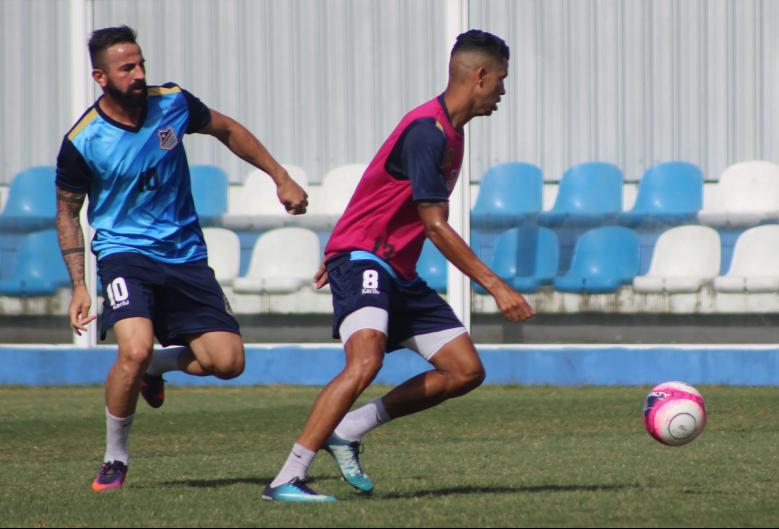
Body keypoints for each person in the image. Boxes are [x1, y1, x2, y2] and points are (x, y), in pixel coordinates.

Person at [263, 29, 534, 503]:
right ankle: (286, 478)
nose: (503, 93)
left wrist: (340, 243)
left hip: (392, 268)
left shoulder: (450, 133)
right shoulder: (427, 133)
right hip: (366, 259)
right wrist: (495, 285)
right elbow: (435, 225)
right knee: (365, 361)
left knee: (465, 370)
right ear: (480, 76)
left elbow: (377, 189)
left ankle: (348, 429)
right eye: (502, 81)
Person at [55, 25, 308, 492]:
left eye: (140, 64)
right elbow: (68, 212)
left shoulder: (172, 102)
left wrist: (280, 177)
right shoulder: (83, 140)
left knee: (228, 362)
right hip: (124, 254)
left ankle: (156, 366)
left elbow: (228, 128)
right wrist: (79, 283)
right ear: (100, 76)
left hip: (185, 254)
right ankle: (115, 456)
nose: (138, 74)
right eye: (126, 68)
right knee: (132, 348)